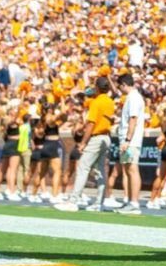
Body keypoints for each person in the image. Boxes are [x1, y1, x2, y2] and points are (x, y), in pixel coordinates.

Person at [56, 75, 115, 212]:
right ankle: (98, 203)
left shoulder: (96, 102)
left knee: (83, 167)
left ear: (97, 88)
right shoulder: (109, 101)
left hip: (96, 137)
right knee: (101, 170)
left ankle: (73, 201)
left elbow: (91, 124)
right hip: (106, 137)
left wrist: (83, 142)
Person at [117, 72, 146, 214]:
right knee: (128, 170)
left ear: (124, 84)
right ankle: (130, 201)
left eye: (120, 86)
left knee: (132, 169)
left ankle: (134, 202)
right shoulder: (131, 97)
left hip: (131, 141)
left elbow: (133, 119)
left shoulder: (134, 98)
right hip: (128, 140)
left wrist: (127, 140)